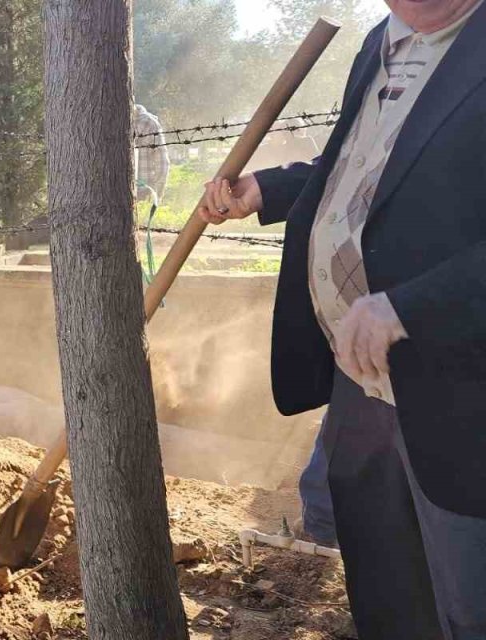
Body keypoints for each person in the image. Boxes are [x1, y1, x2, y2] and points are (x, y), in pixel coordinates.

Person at [197, 1, 486, 636]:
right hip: (362, 385)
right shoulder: (383, 43)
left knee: (469, 602)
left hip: (462, 398)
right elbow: (360, 170)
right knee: (387, 594)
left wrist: (407, 309)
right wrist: (266, 190)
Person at [133, 104, 169, 201]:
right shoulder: (150, 123)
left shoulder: (148, 123)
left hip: (142, 191)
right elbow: (162, 162)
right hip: (144, 191)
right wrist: (157, 190)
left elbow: (162, 163)